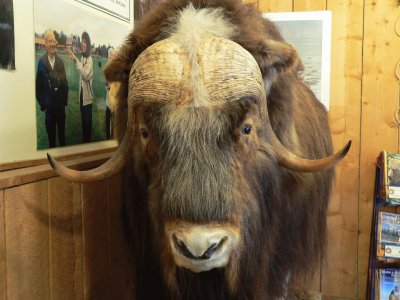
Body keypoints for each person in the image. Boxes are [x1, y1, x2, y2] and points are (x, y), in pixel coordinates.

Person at [36, 28, 69, 148]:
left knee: (62, 138)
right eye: (49, 41)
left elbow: (65, 83)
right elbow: (38, 87)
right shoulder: (41, 62)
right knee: (52, 142)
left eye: (54, 41)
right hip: (49, 110)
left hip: (60, 109)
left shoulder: (60, 62)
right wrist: (43, 105)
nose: (52, 44)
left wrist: (64, 102)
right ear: (45, 43)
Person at [69, 31, 93, 143]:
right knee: (84, 124)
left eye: (85, 42)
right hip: (81, 98)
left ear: (88, 44)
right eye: (82, 41)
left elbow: (85, 75)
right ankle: (85, 144)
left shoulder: (90, 60)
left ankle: (87, 146)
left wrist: (75, 60)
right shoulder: (83, 58)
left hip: (87, 100)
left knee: (87, 126)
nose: (83, 44)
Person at [105, 47, 115, 140]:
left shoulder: (117, 70)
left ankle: (112, 139)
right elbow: (106, 84)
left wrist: (111, 86)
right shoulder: (108, 69)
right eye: (109, 55)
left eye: (111, 55)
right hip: (108, 102)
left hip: (114, 104)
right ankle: (108, 138)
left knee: (113, 125)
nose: (110, 57)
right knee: (107, 123)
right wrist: (107, 85)